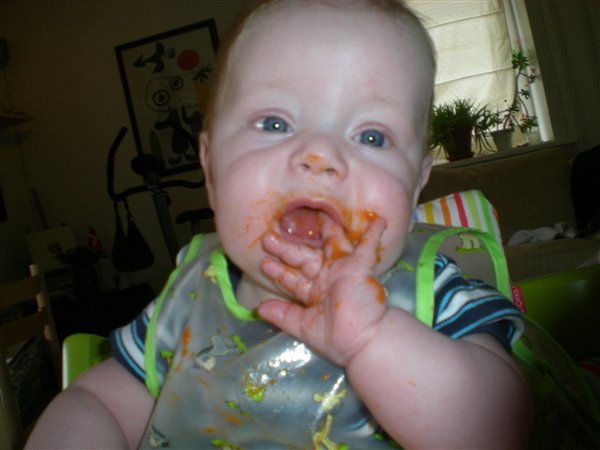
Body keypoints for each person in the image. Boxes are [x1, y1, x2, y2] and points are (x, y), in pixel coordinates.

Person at [26, 1, 532, 448]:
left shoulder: (432, 293)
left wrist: (372, 338)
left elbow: (499, 428)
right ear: (211, 168)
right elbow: (101, 404)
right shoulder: (184, 304)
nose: (319, 155)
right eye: (275, 123)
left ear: (417, 183)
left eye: (372, 137)